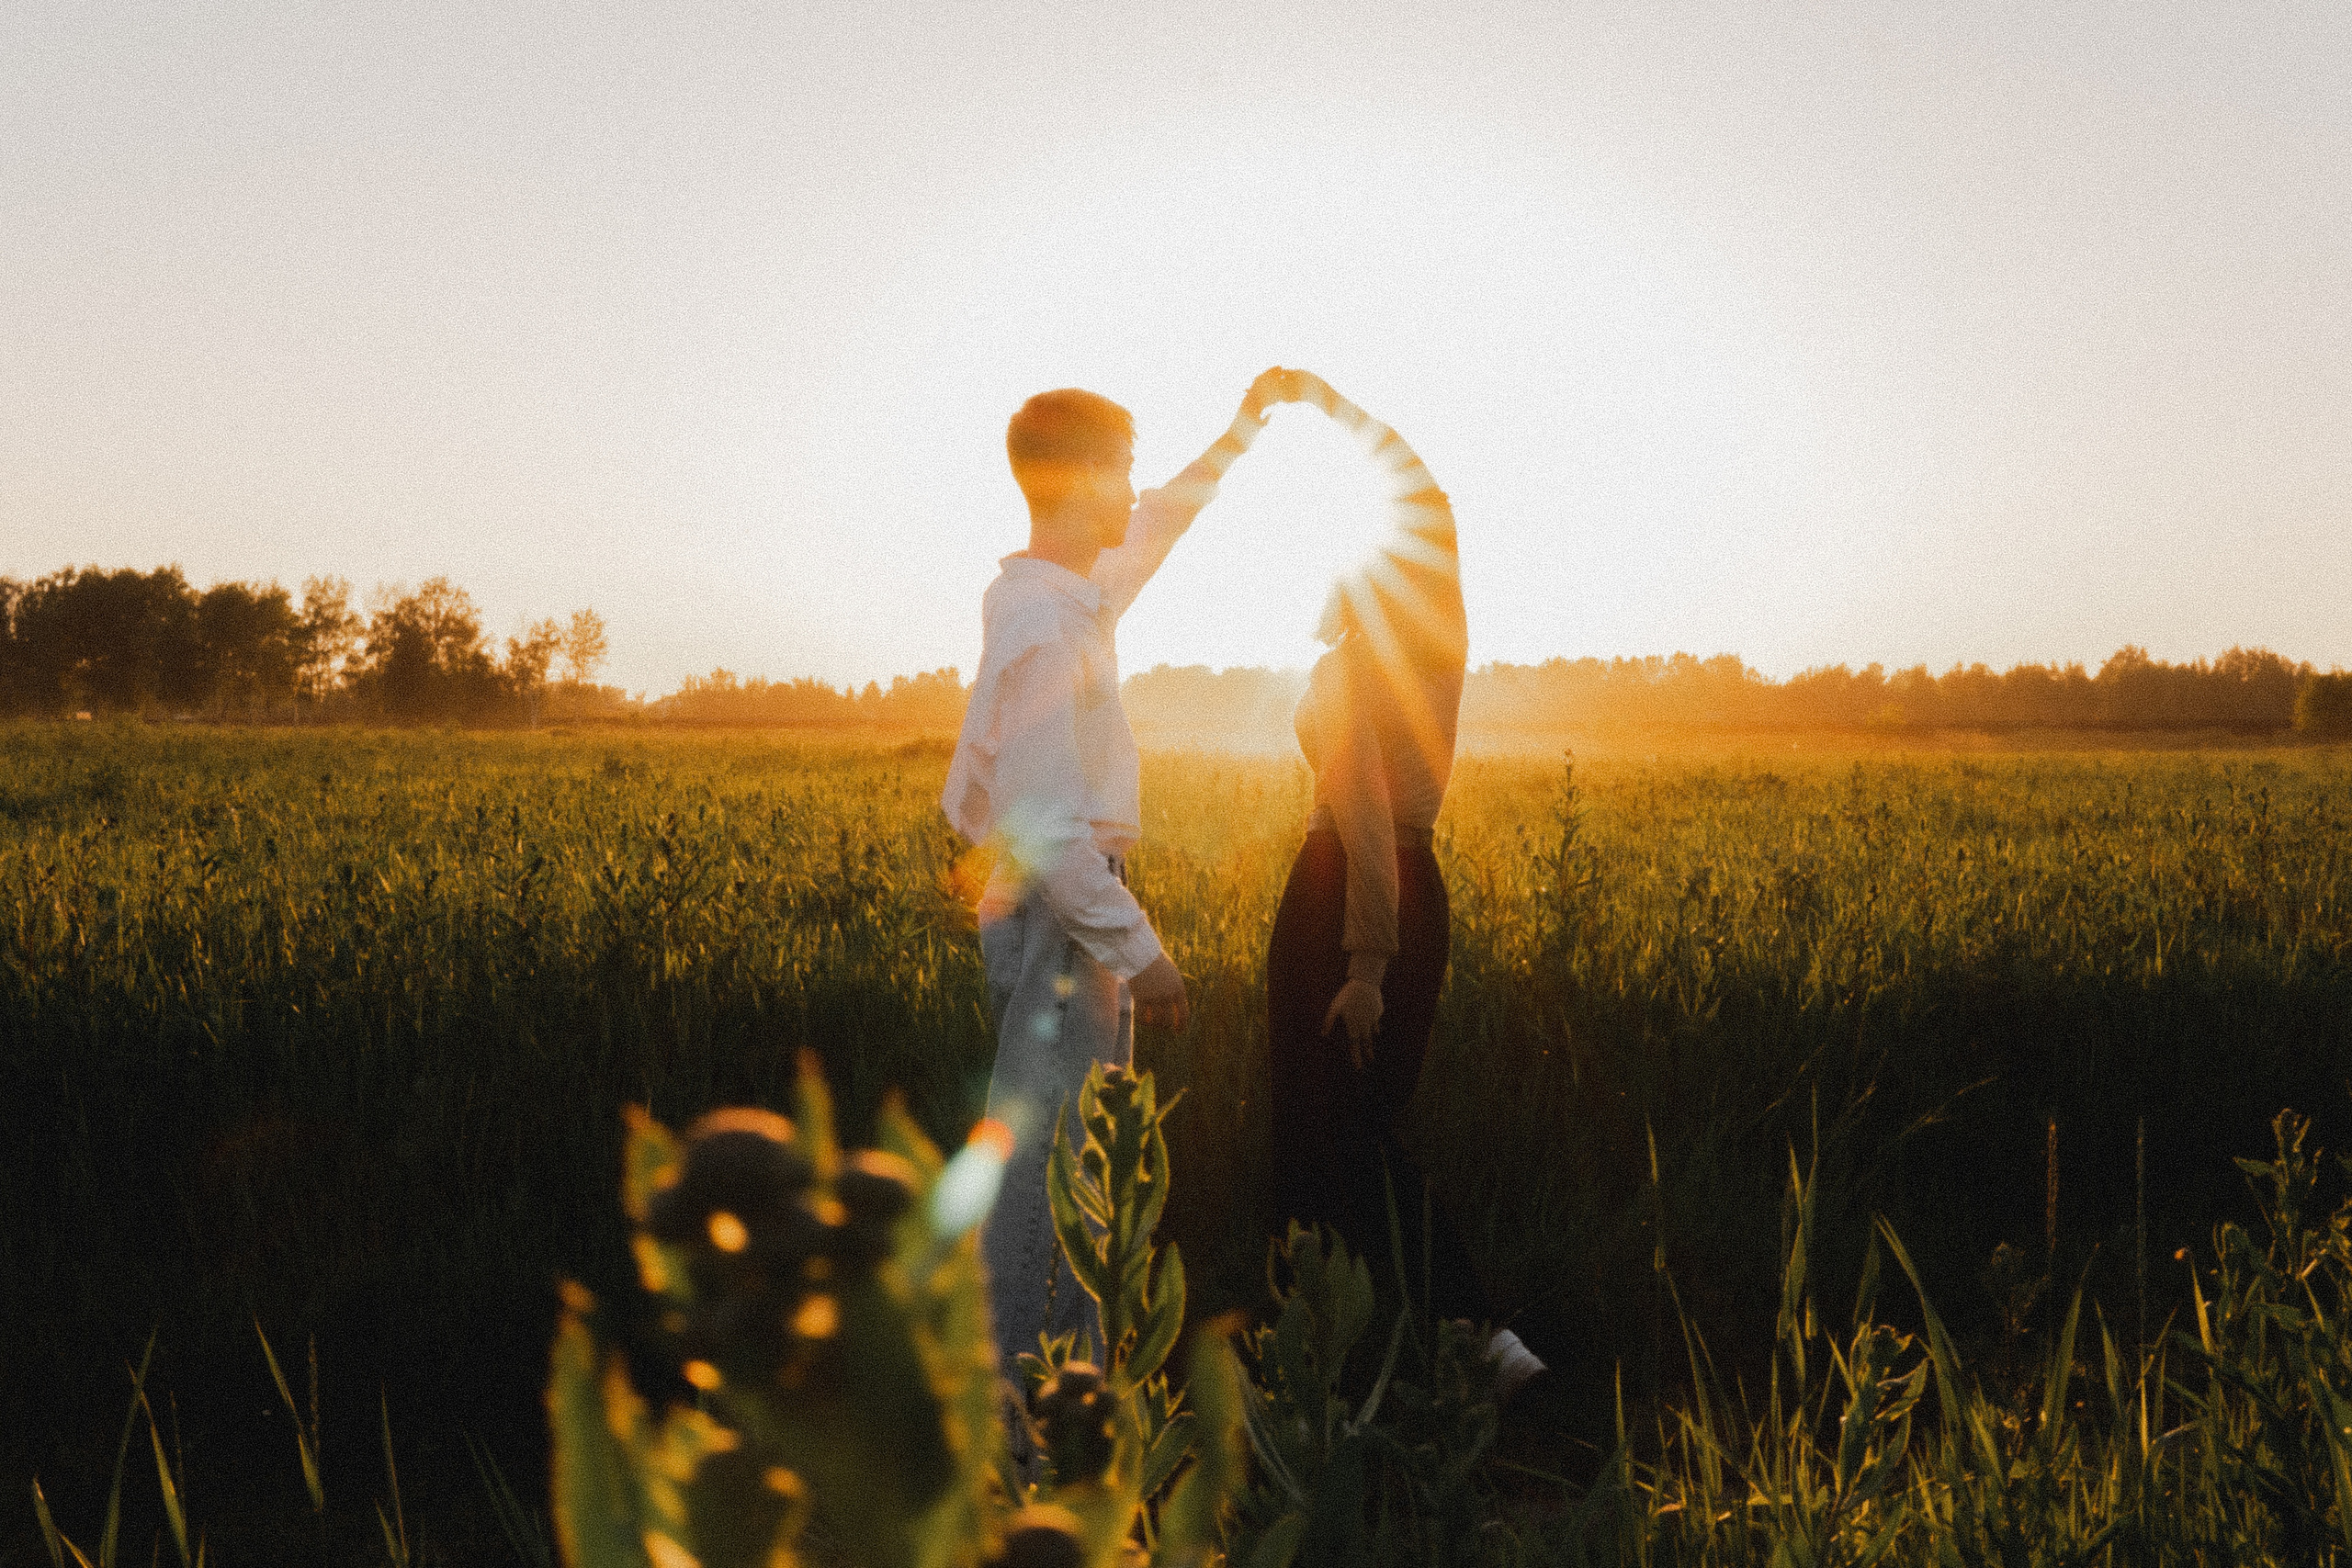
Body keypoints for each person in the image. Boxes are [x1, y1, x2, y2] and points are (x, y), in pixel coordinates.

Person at [943, 369, 1293, 1384]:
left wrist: (1238, 434)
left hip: (1058, 911)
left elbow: (1160, 528)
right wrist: (1145, 958)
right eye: (1123, 475)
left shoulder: (1055, 598)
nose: (1133, 497)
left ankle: (1051, 1397)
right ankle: (1038, 1421)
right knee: (1055, 1178)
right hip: (1066, 916)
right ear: (1076, 483)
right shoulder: (1050, 625)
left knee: (1069, 1165)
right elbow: (1047, 830)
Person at [1262, 370, 1546, 1397]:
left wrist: (1365, 962)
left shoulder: (1354, 674)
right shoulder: (1436, 654)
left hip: (1350, 896)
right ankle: (1396, 1345)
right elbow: (1426, 499)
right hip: (1419, 891)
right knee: (1358, 1125)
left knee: (1319, 1132)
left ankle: (1451, 1335)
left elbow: (1366, 821)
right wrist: (1329, 406)